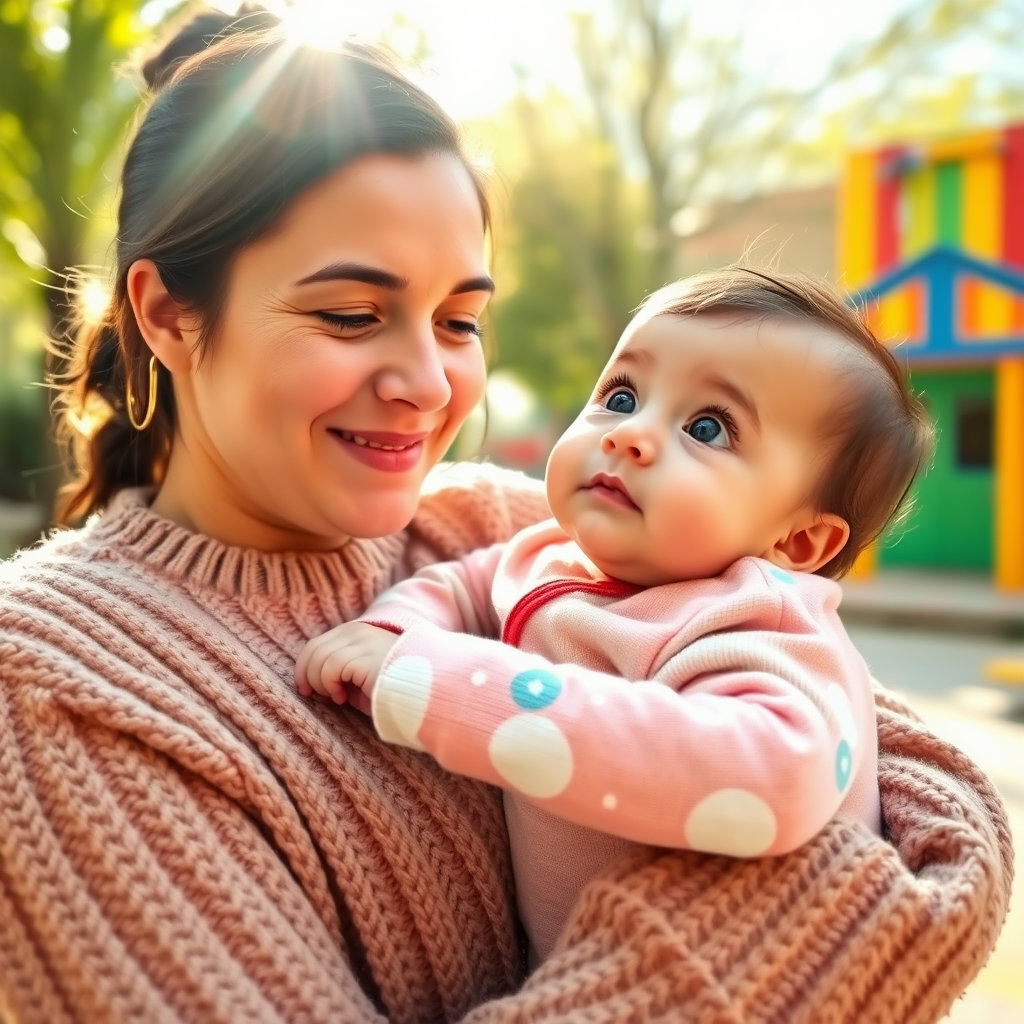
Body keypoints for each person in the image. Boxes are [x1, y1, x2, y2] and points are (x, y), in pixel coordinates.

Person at [0, 5, 1012, 1022]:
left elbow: (935, 801)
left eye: (459, 321)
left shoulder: (506, 530)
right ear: (168, 313)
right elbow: (888, 840)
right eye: (350, 315)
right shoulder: (57, 683)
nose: (427, 383)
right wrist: (827, 916)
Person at [296, 267, 929, 963]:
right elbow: (465, 585)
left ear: (799, 540)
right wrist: (391, 630)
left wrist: (442, 686)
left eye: (708, 427)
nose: (632, 436)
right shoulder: (550, 556)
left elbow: (778, 777)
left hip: (732, 980)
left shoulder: (757, 623)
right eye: (622, 395)